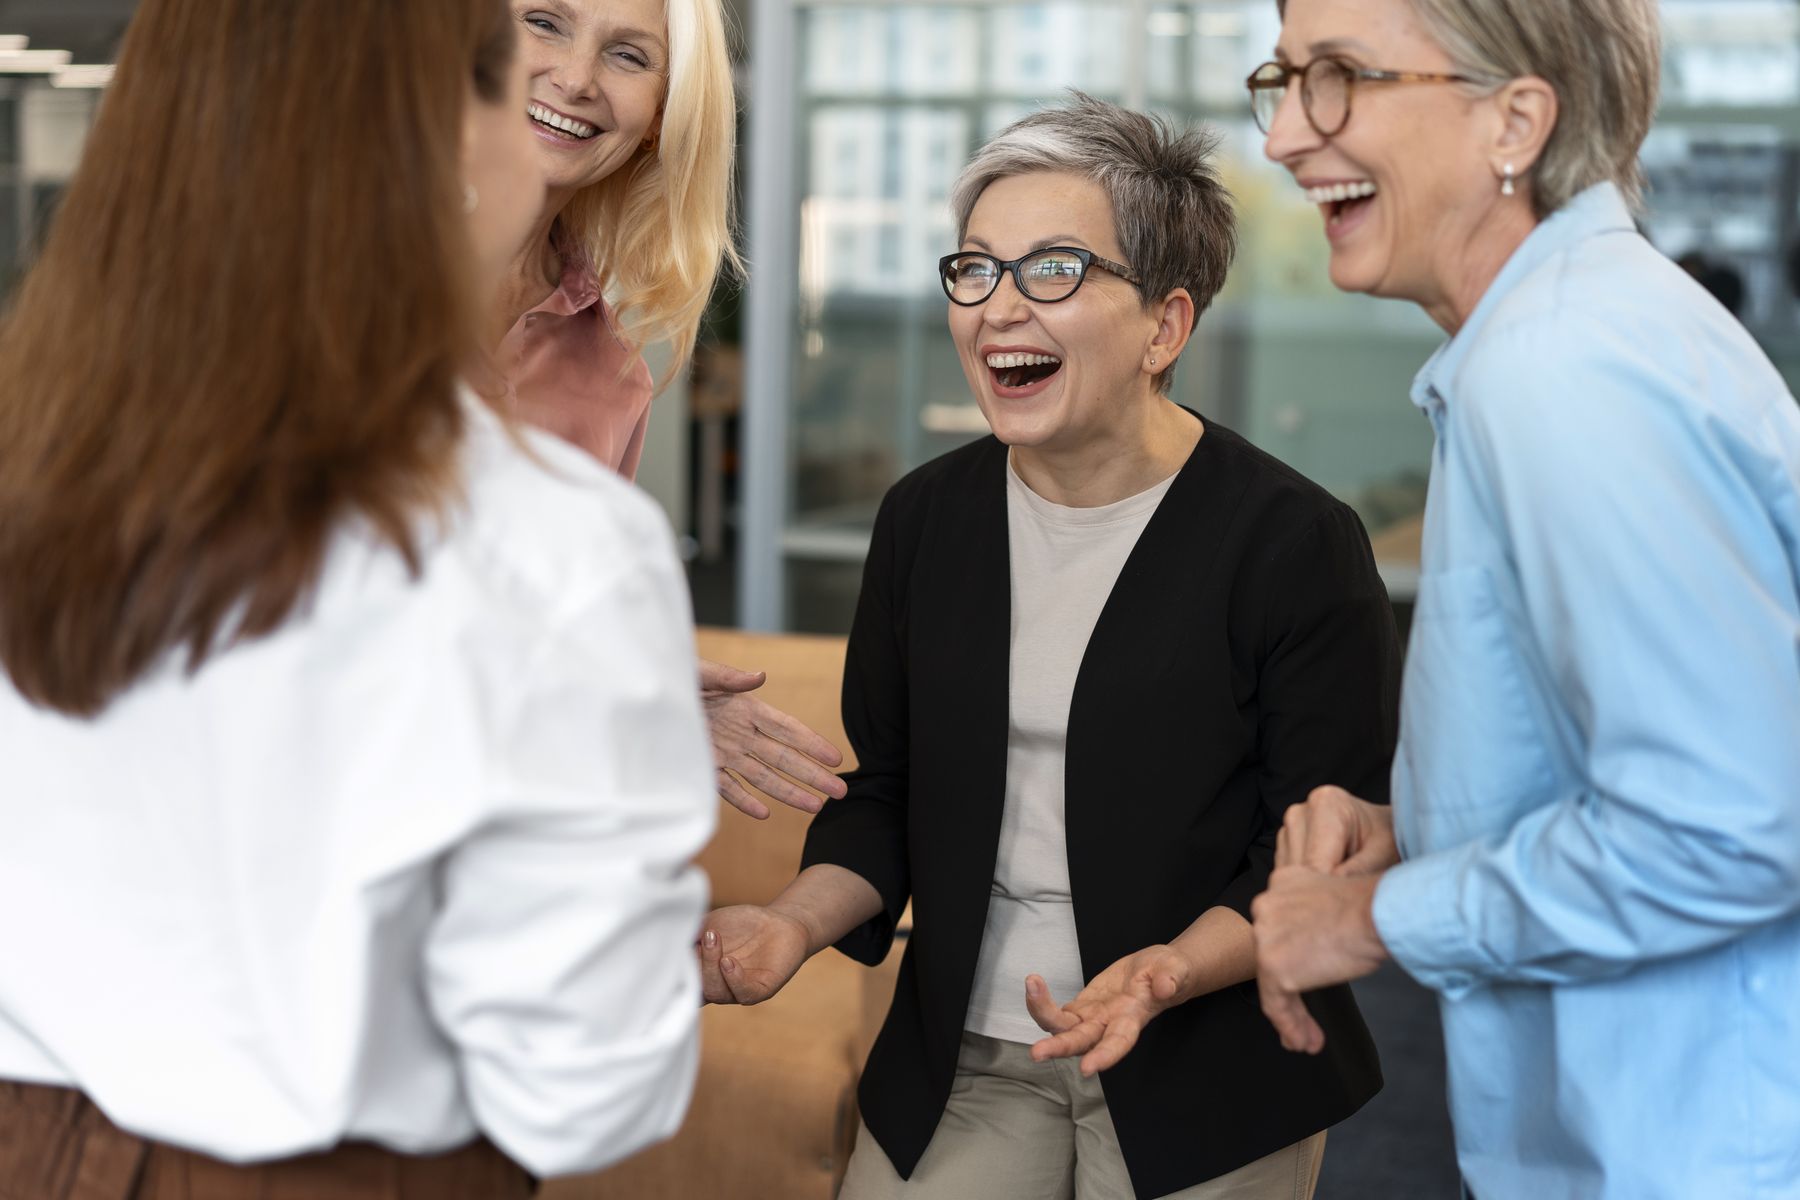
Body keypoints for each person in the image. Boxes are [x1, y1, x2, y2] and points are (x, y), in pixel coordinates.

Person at [0, 0, 714, 1195]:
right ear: (442, 136)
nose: (558, 90)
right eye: (510, 62)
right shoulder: (556, 546)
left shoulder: (36, 458)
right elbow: (584, 1090)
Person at [698, 95, 1400, 1200]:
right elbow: (886, 794)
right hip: (965, 1053)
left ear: (1165, 326)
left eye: (1055, 270)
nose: (998, 307)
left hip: (1206, 1056)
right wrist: (790, 927)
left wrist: (1166, 974)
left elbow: (1314, 851)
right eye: (976, 269)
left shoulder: (1293, 542)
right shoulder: (926, 519)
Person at [1244, 2, 1800, 1197]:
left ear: (1516, 121)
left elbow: (1726, 824)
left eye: (1338, 78)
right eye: (1281, 81)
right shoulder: (1570, 337)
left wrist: (1375, 919)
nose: (1284, 136)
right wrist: (1427, 827)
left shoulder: (1566, 369)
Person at [487, 0, 847, 821]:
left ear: (659, 119)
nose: (575, 78)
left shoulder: (610, 379)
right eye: (544, 21)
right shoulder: (323, 279)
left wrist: (628, 686)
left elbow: (541, 631)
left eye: (628, 56)